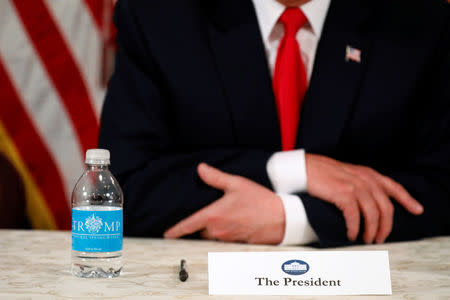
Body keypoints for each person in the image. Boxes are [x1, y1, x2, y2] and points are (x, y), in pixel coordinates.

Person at [99, 0, 450, 247]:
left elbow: (440, 189)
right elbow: (116, 190)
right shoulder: (160, 14)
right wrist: (292, 169)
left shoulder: (419, 21)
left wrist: (295, 218)